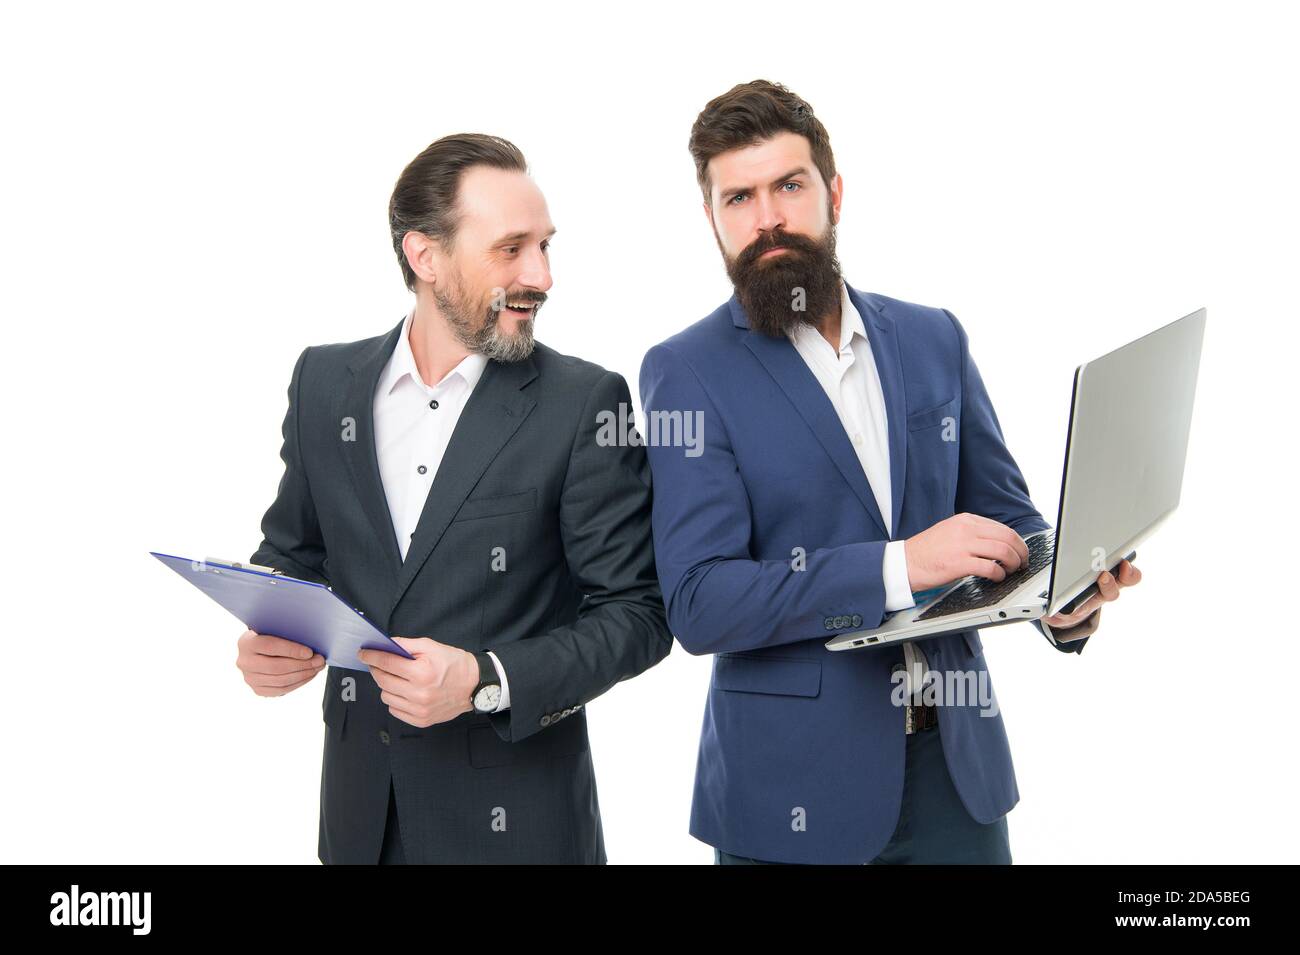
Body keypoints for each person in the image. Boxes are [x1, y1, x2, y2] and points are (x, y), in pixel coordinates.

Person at [639, 81, 1141, 865]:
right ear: (712, 219)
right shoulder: (686, 372)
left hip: (956, 781)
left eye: (789, 186)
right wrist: (901, 565)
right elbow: (702, 602)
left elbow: (1009, 517)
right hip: (790, 795)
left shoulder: (932, 336)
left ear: (834, 193)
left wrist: (1060, 597)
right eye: (739, 197)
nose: (766, 216)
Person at [237, 133, 671, 864]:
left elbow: (637, 614)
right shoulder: (322, 382)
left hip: (521, 834)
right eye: (512, 249)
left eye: (545, 246)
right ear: (425, 256)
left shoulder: (585, 402)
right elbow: (292, 551)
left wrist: (485, 679)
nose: (542, 275)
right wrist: (269, 634)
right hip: (359, 826)